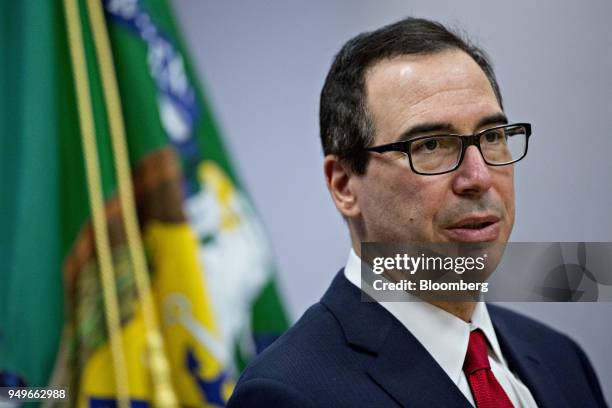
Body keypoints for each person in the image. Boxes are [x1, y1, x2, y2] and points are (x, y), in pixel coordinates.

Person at [227, 17, 607, 407]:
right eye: (430, 146)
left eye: (492, 137)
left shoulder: (562, 359)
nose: (478, 177)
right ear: (343, 185)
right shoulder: (288, 394)